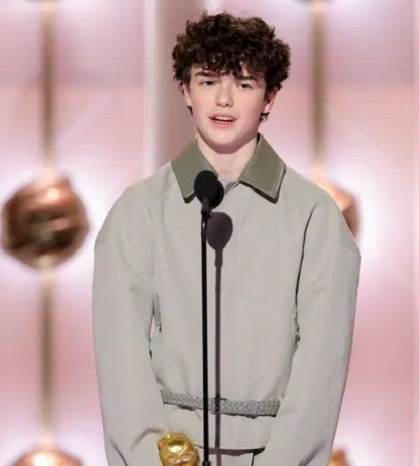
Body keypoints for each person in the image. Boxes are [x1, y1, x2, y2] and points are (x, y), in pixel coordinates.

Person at [92, 11, 361, 466]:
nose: (224, 99)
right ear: (185, 89)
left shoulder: (314, 217)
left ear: (270, 96)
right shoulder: (139, 211)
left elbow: (321, 369)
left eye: (244, 83)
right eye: (208, 80)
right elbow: (122, 361)